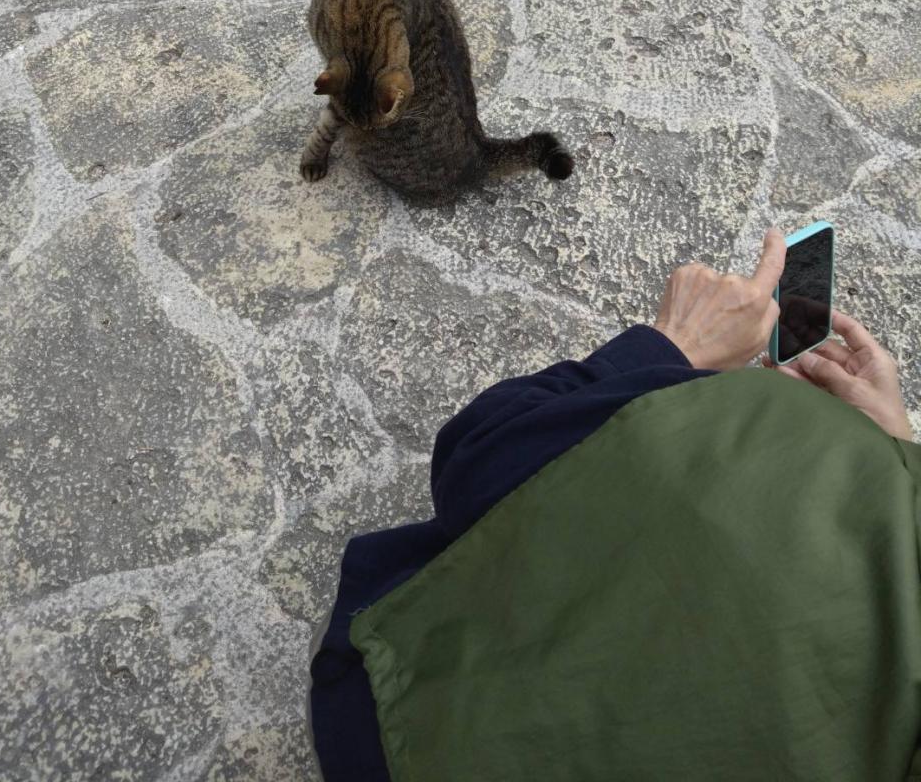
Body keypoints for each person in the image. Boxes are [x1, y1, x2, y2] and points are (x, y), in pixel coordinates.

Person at [309, 231, 919, 782]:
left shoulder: (770, 426)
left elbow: (473, 464)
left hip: (385, 719)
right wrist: (891, 449)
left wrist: (671, 346)